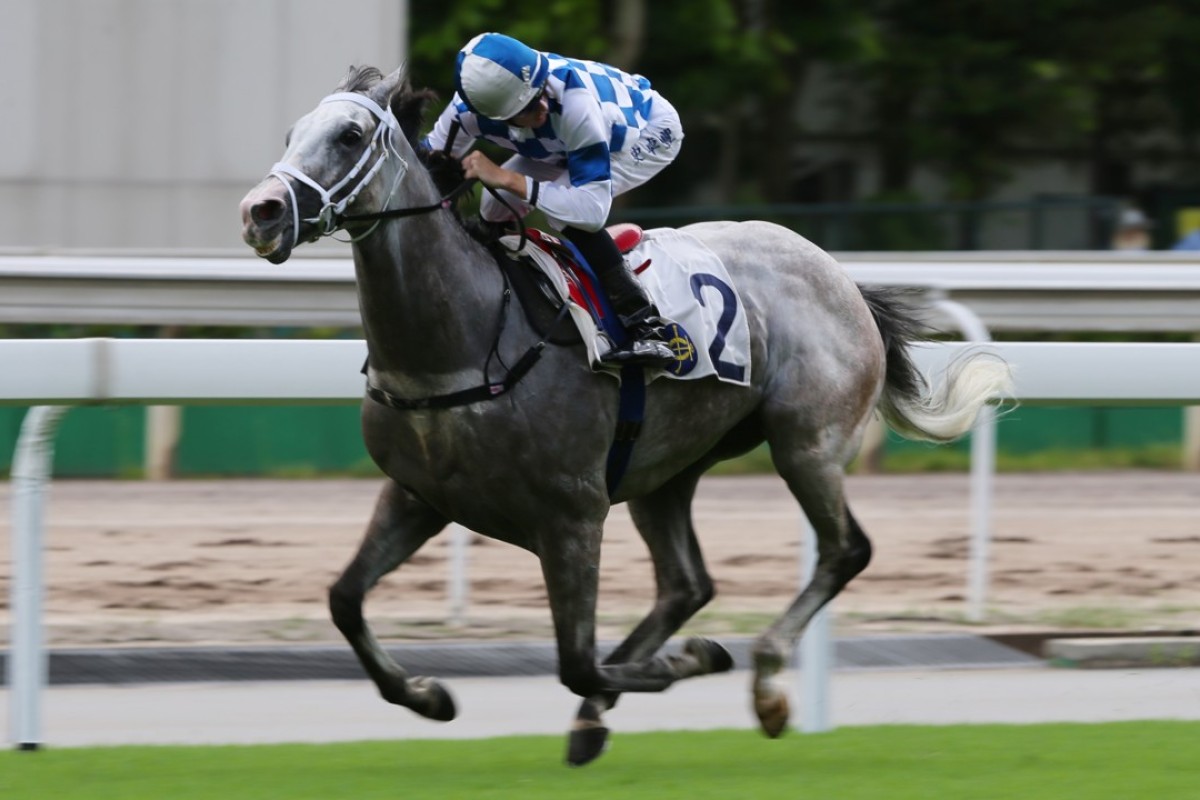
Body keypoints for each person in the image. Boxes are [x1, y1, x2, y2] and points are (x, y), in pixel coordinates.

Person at [422, 32, 683, 367]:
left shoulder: (575, 104)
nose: (542, 105)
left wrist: (508, 178)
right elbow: (426, 166)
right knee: (494, 206)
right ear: (495, 116)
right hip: (564, 141)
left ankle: (642, 325)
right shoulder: (465, 114)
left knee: (564, 214)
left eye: (540, 91)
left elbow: (591, 212)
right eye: (528, 106)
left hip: (646, 132)